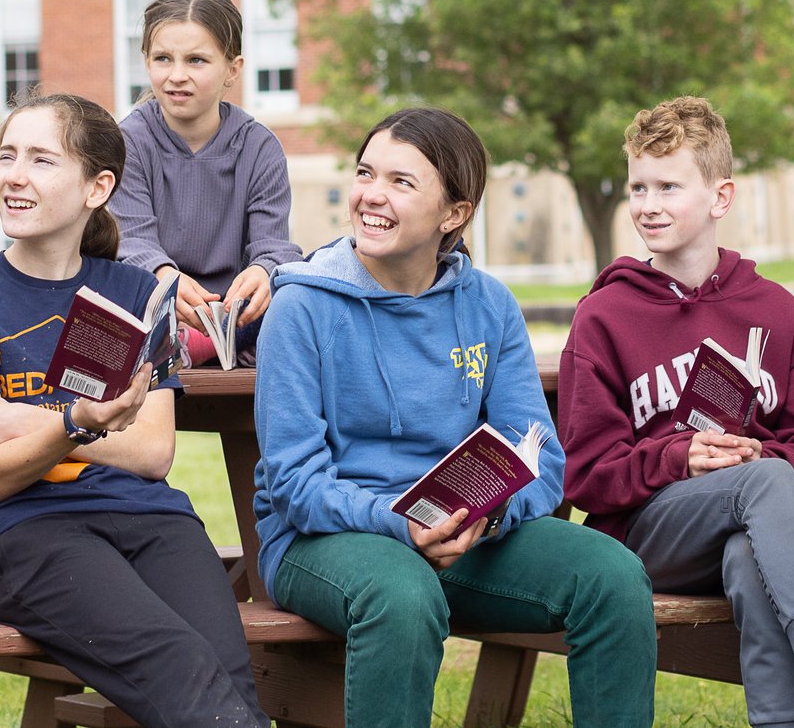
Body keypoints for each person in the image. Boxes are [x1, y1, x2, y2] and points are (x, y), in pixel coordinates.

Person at [253, 106, 657, 728]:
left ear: (454, 213)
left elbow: (540, 457)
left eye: (401, 181)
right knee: (400, 593)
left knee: (613, 576)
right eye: (366, 173)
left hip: (467, 536)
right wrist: (398, 523)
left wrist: (485, 519)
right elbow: (294, 484)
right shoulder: (301, 306)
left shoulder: (489, 305)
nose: (372, 195)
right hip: (324, 540)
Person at [0, 94, 267, 728]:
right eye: (7, 156)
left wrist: (24, 418)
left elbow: (152, 454)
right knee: (182, 670)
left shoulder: (136, 292)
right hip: (33, 533)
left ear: (97, 188)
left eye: (41, 160)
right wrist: (81, 421)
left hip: (156, 522)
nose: (14, 175)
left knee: (230, 681)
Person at [558, 98, 794, 728]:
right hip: (647, 534)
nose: (648, 205)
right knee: (764, 484)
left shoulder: (775, 309)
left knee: (748, 554)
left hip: (758, 526)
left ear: (720, 197)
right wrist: (680, 457)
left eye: (669, 187)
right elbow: (585, 474)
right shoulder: (605, 316)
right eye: (639, 188)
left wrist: (753, 453)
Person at [109, 0, 301, 364]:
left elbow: (272, 245)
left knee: (303, 281)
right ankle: (184, 345)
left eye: (196, 60)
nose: (176, 76)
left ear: (233, 69)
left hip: (234, 314)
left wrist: (263, 270)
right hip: (153, 305)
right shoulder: (128, 143)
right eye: (163, 59)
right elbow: (133, 243)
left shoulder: (260, 148)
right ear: (146, 62)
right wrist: (165, 276)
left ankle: (205, 343)